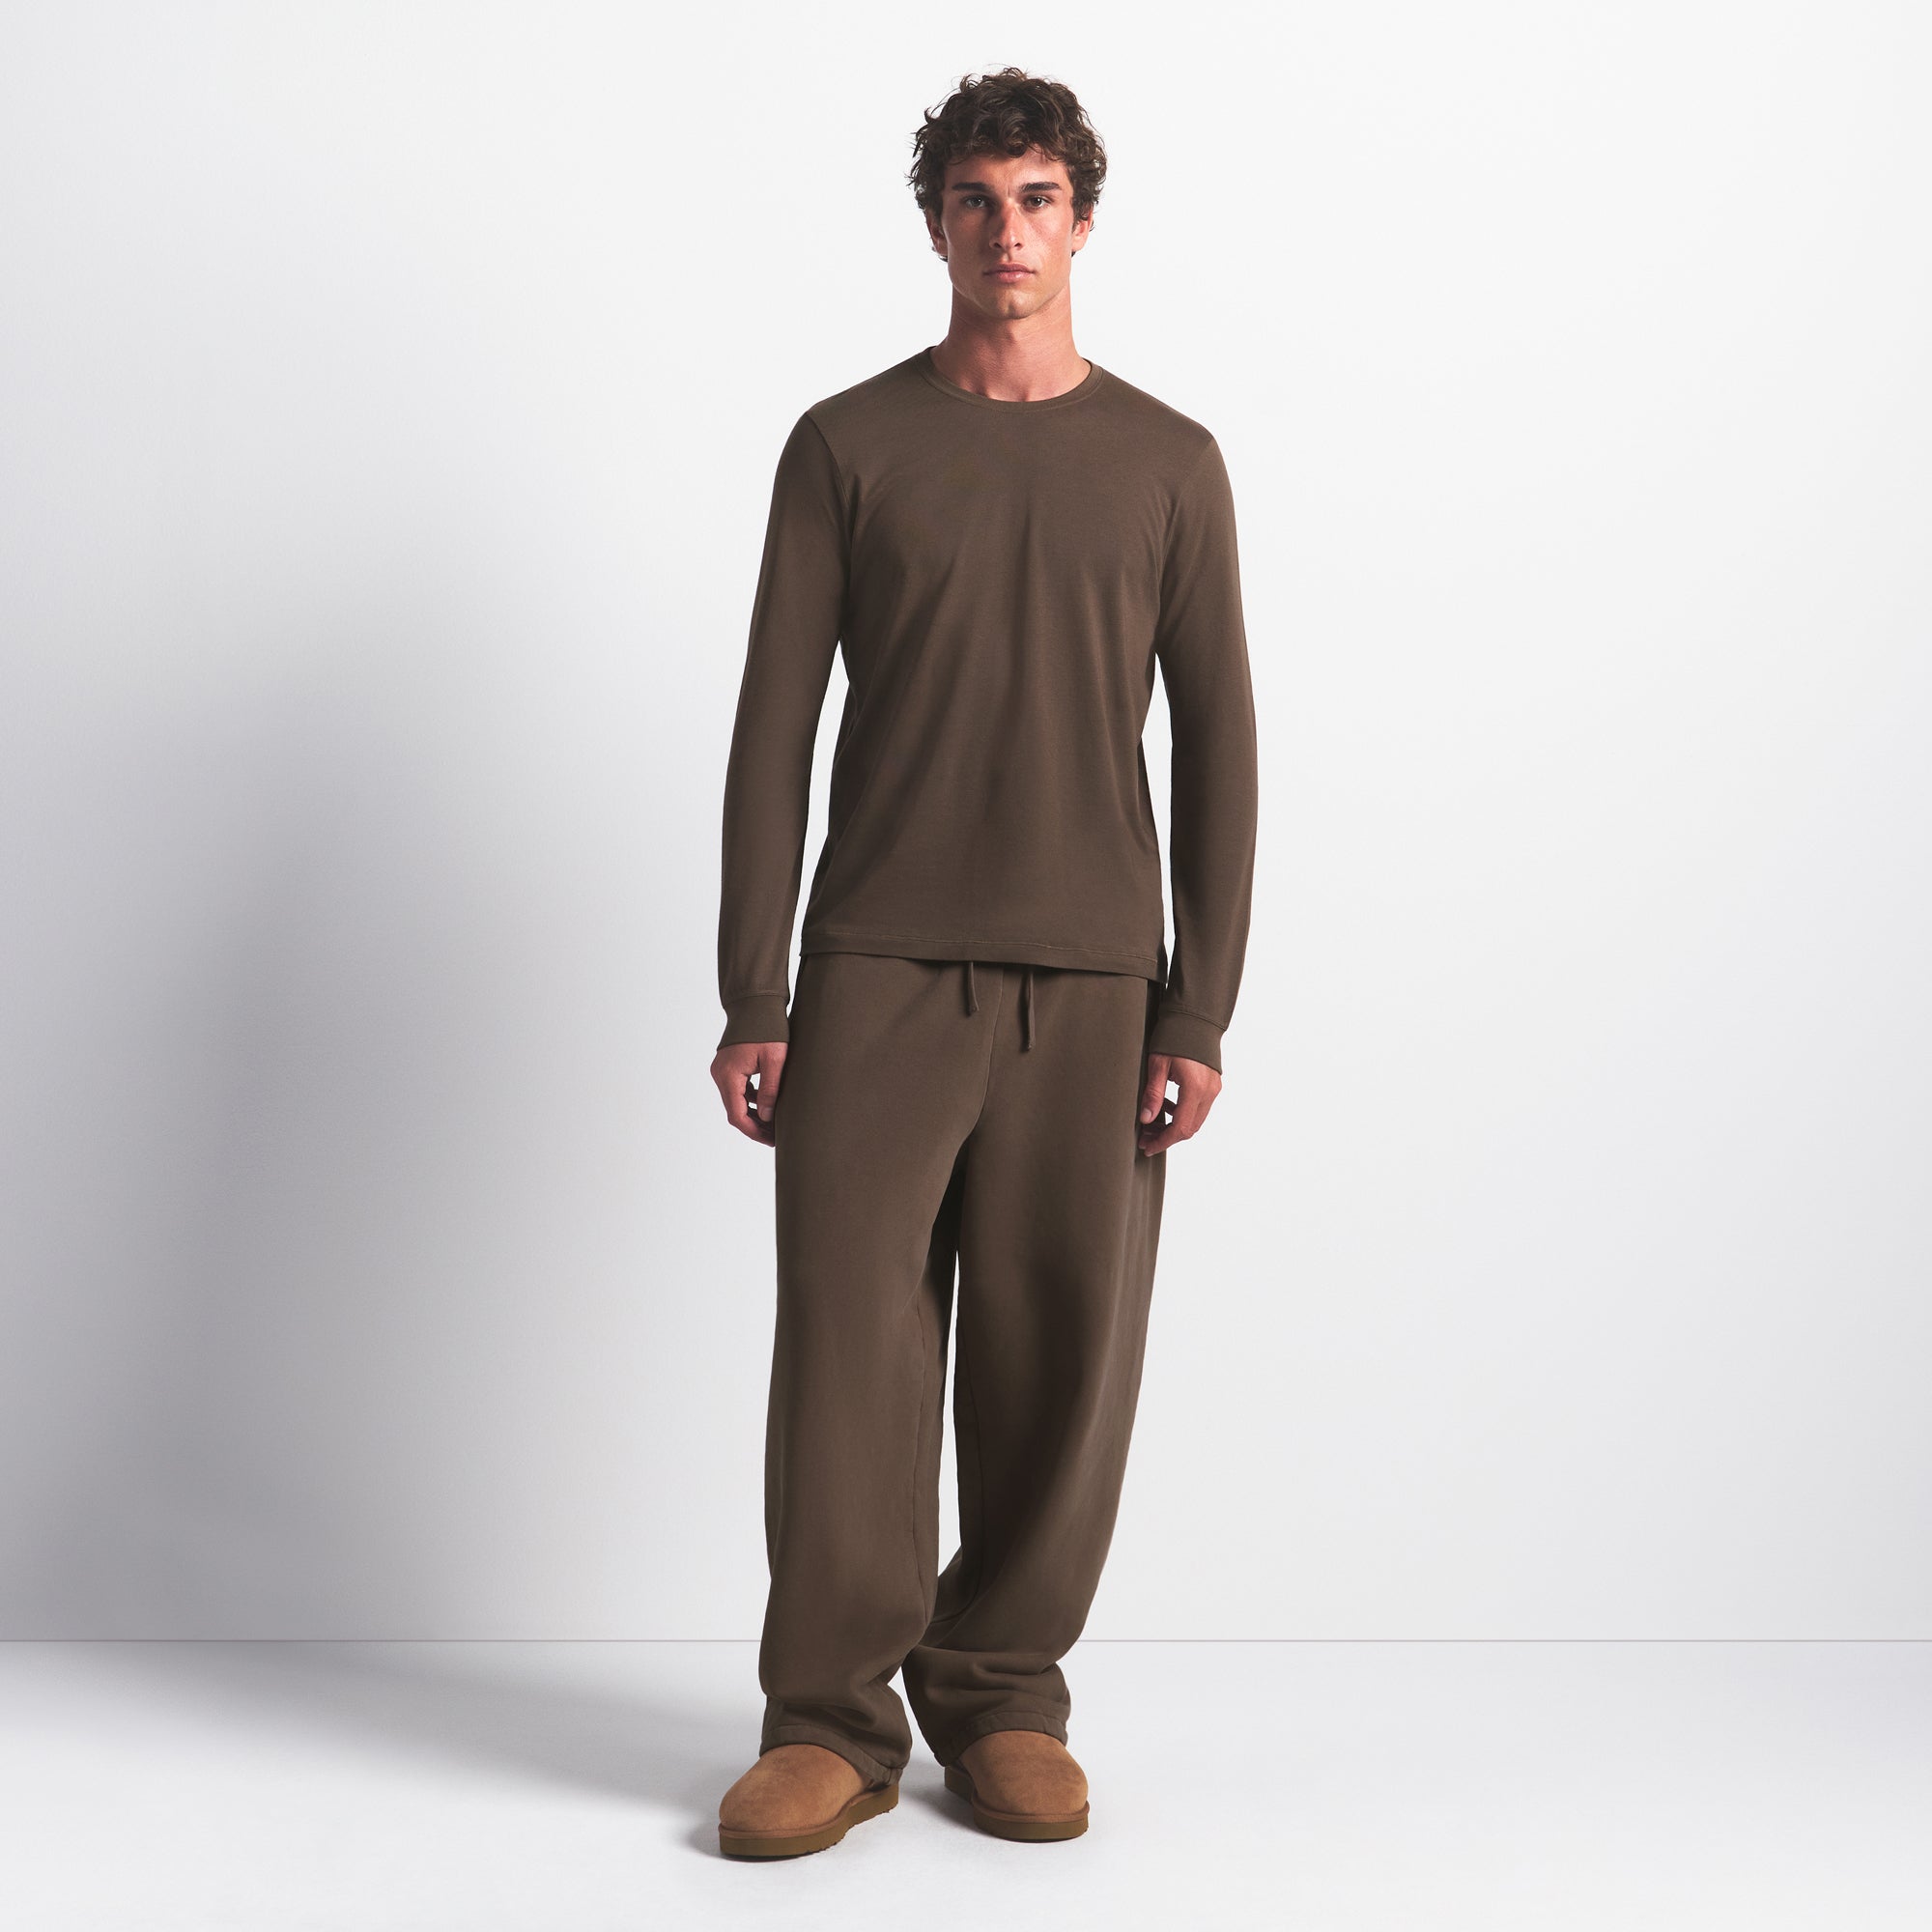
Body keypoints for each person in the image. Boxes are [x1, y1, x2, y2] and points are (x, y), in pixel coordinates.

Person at [708, 66, 1259, 1859]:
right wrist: (756, 990)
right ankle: (828, 1722)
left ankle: (1004, 1691)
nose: (1005, 232)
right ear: (934, 222)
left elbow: (1222, 744)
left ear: (1082, 220)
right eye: (973, 200)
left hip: (1093, 984)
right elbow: (774, 726)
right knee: (848, 1360)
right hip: (874, 970)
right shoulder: (846, 446)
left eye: (1035, 200)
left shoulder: (1170, 464)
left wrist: (1199, 1005)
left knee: (1059, 1360)